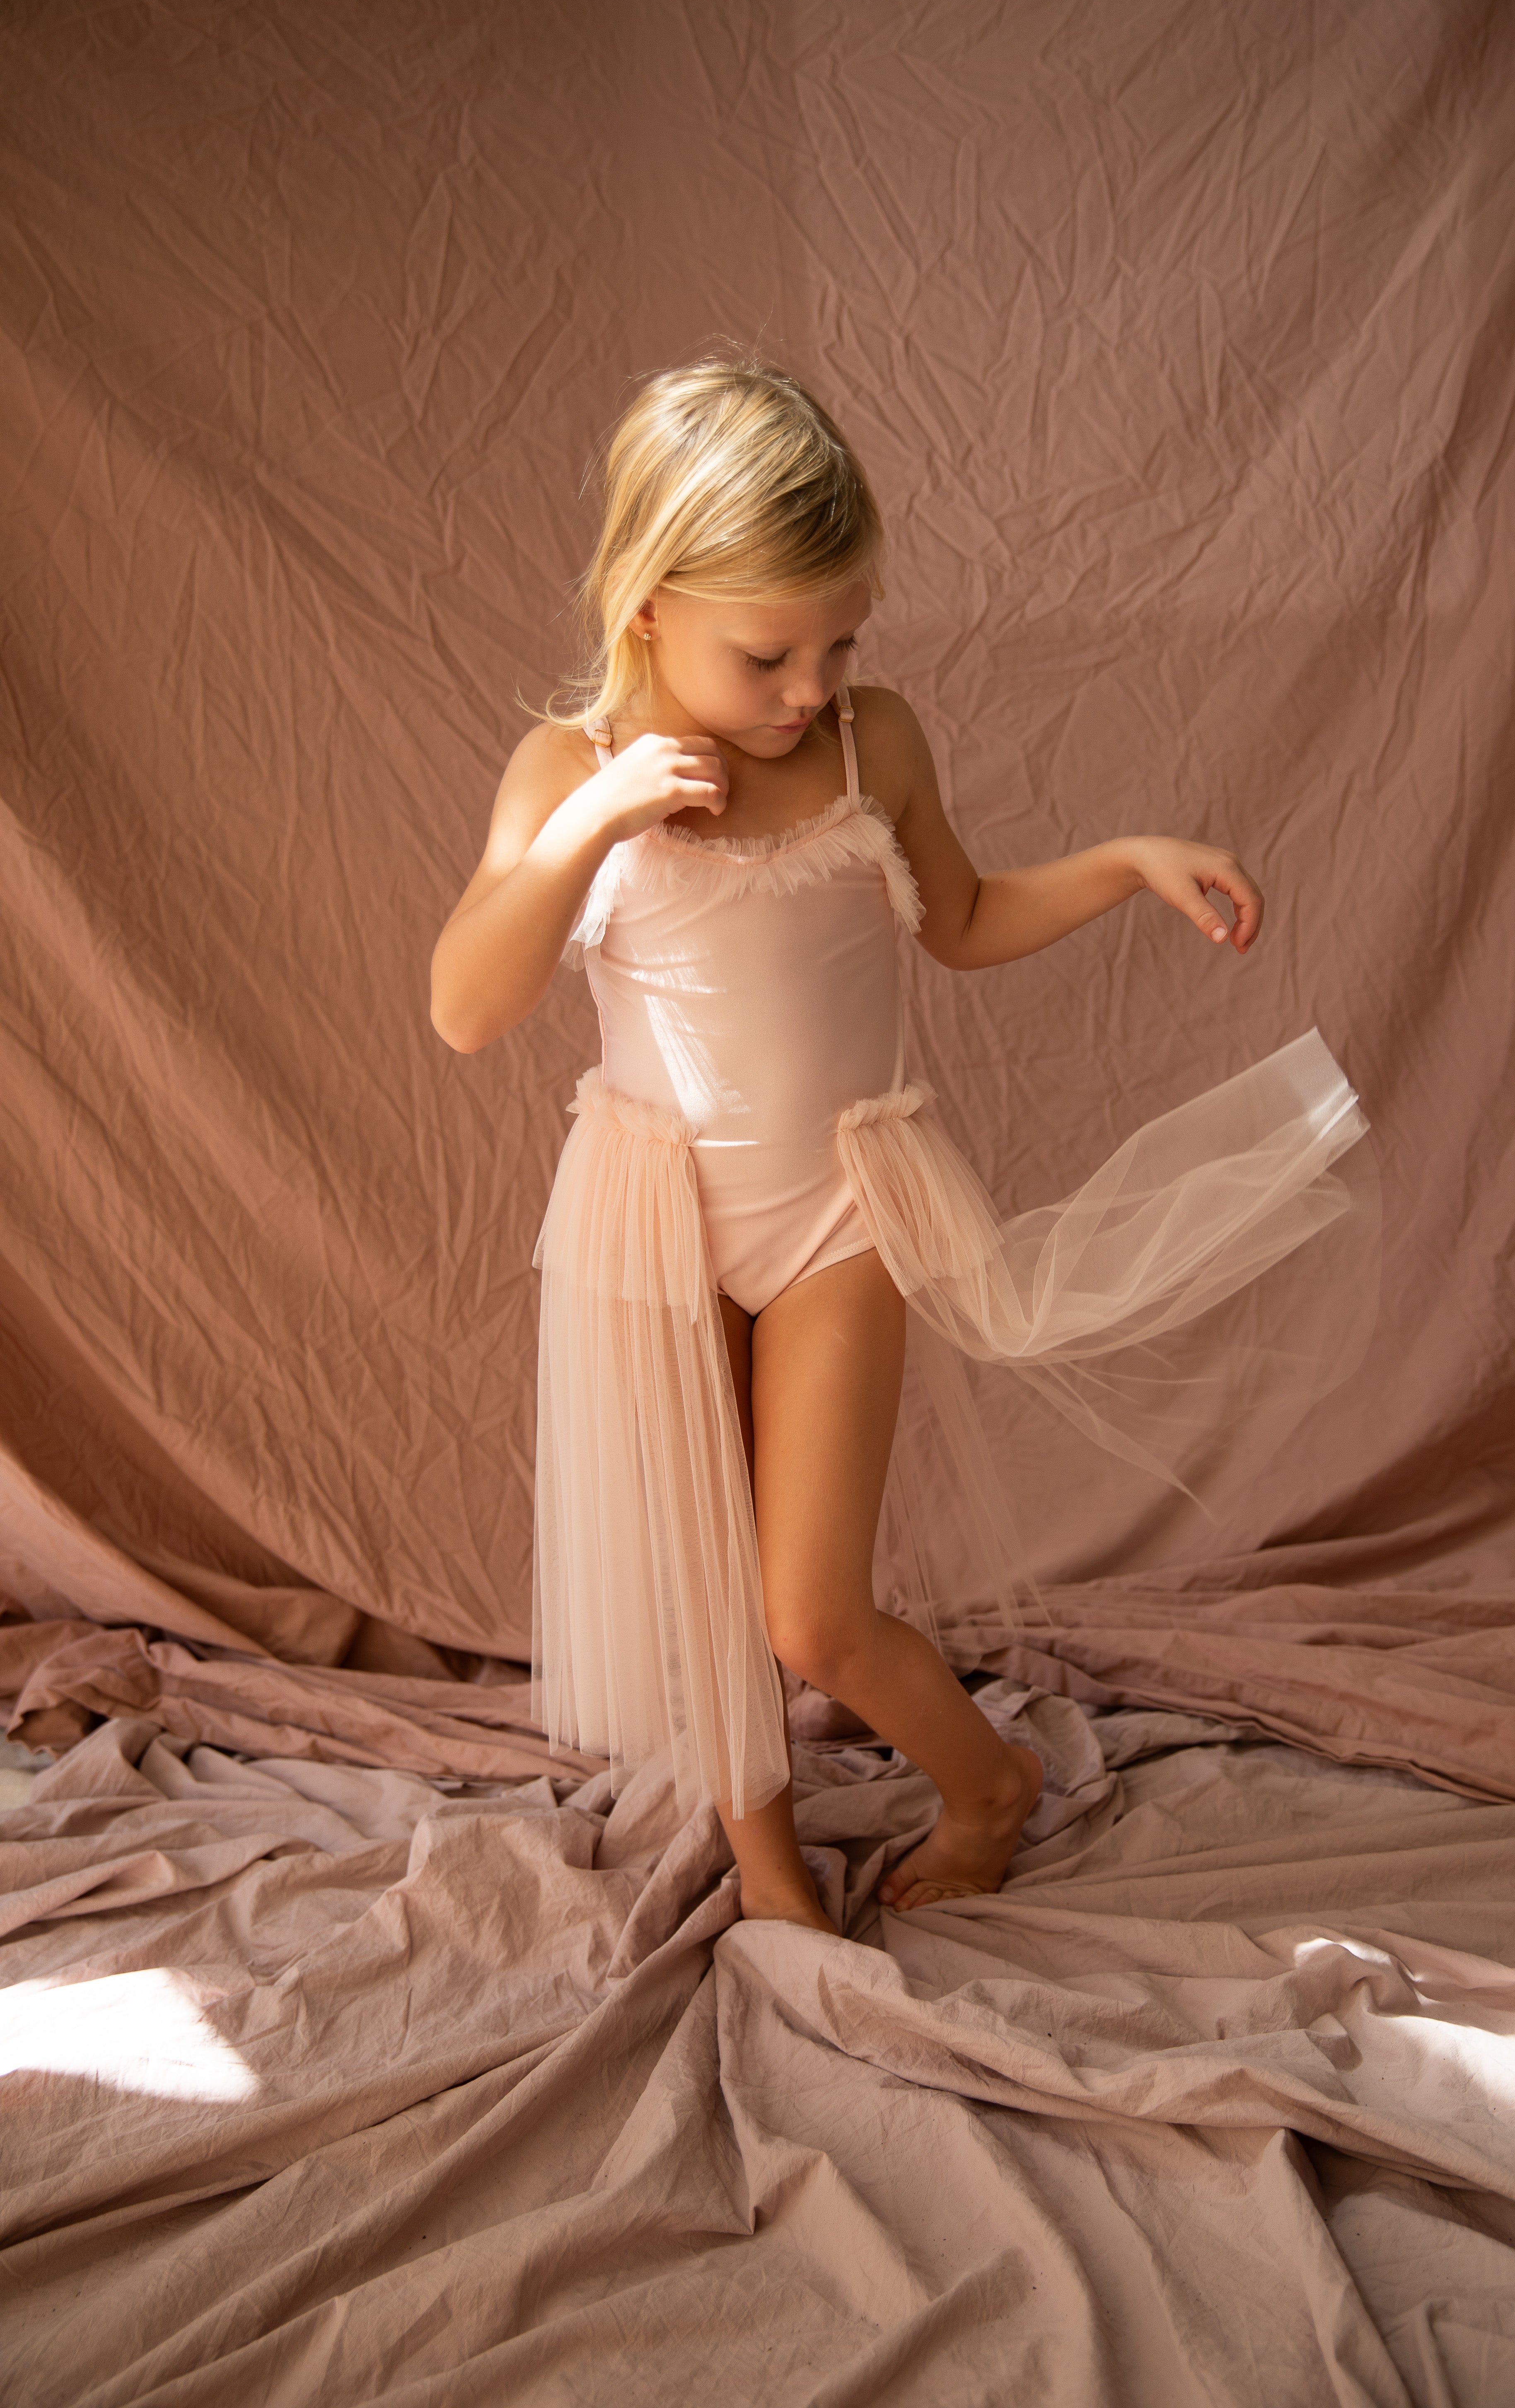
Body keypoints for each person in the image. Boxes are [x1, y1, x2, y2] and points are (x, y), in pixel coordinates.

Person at [430, 357, 1374, 1938]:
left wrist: (1125, 862)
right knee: (705, 1586)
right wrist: (591, 821)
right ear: (650, 604)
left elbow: (965, 918)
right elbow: (470, 1005)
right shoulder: (563, 768)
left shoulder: (872, 744)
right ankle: (773, 1870)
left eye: (840, 639)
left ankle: (989, 1783)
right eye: (769, 650)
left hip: (836, 1211)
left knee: (804, 1604)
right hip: (652, 1211)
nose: (811, 684)